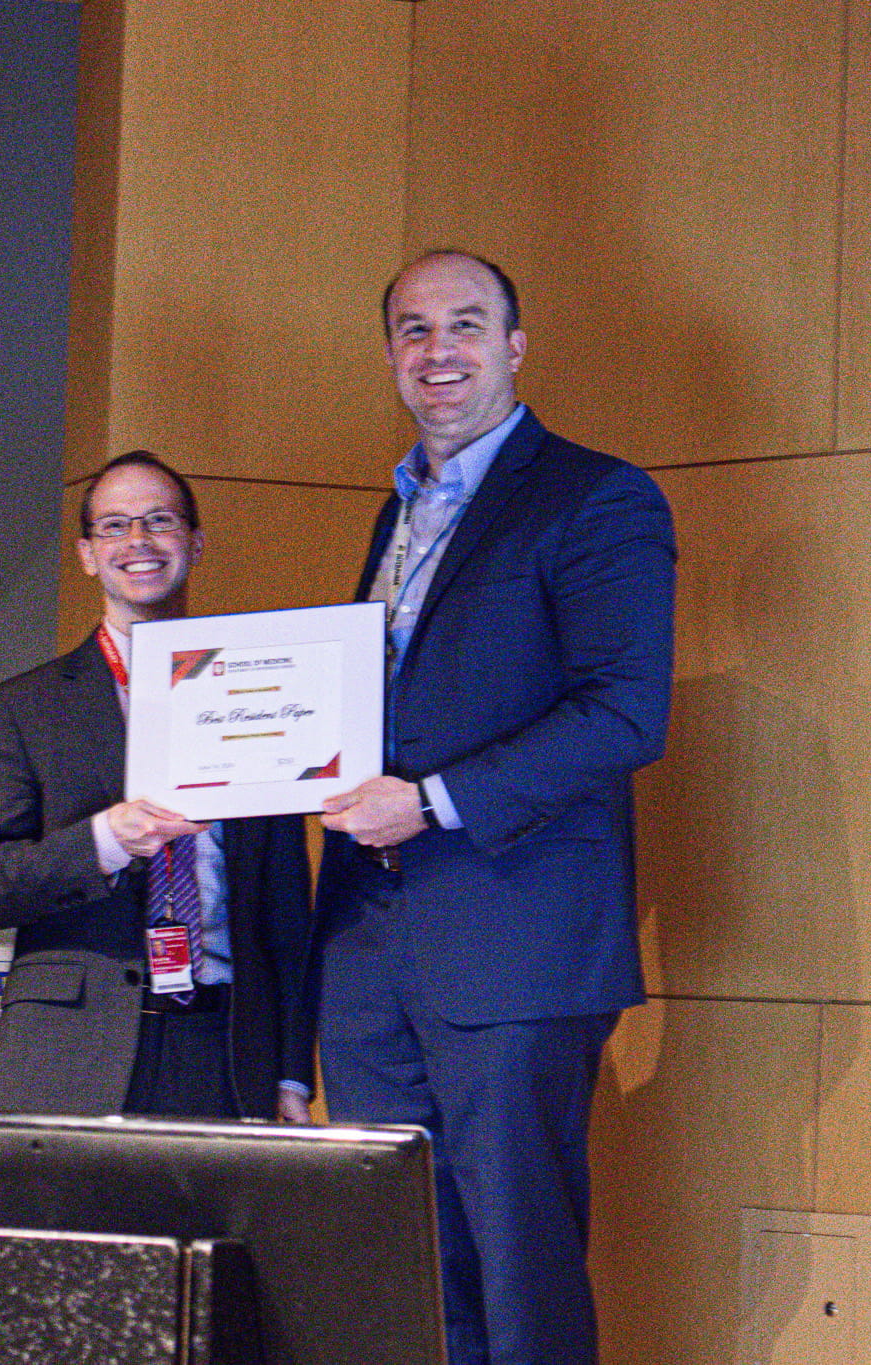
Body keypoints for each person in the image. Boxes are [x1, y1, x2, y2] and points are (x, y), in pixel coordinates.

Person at [315, 250, 676, 1365]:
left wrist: (427, 801)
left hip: (513, 950)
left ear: (515, 348)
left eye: (465, 326)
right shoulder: (398, 513)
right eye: (413, 332)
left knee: (518, 1277)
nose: (439, 353)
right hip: (371, 952)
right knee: (409, 1273)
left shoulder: (593, 495)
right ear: (387, 356)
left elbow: (623, 716)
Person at [0, 451, 315, 1122]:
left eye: (159, 520)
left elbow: (287, 912)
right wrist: (104, 840)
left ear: (194, 543)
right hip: (71, 1053)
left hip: (227, 1053)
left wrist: (293, 1071)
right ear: (88, 554)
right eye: (115, 526)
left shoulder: (263, 696)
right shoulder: (23, 707)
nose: (139, 541)